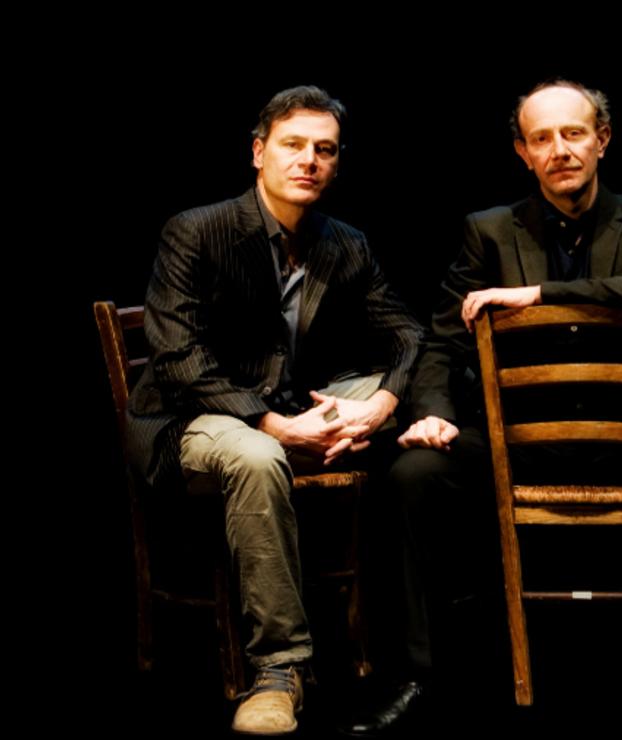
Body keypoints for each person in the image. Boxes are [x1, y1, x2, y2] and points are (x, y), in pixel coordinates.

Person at [343, 79, 622, 735]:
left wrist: (537, 295)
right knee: (413, 475)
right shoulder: (488, 231)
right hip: (519, 443)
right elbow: (441, 341)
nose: (560, 149)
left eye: (574, 133)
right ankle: (415, 676)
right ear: (523, 152)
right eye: (543, 138)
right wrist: (433, 411)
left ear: (602, 140)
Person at [125, 85, 423, 735]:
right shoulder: (197, 230)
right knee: (260, 457)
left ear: (337, 163)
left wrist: (380, 406)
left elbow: (407, 335)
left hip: (287, 407)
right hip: (189, 419)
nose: (308, 160)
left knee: (412, 402)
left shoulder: (344, 242)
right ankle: (279, 670)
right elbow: (177, 359)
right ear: (259, 152)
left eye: (325, 150)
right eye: (293, 145)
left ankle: (403, 645)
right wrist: (275, 425)